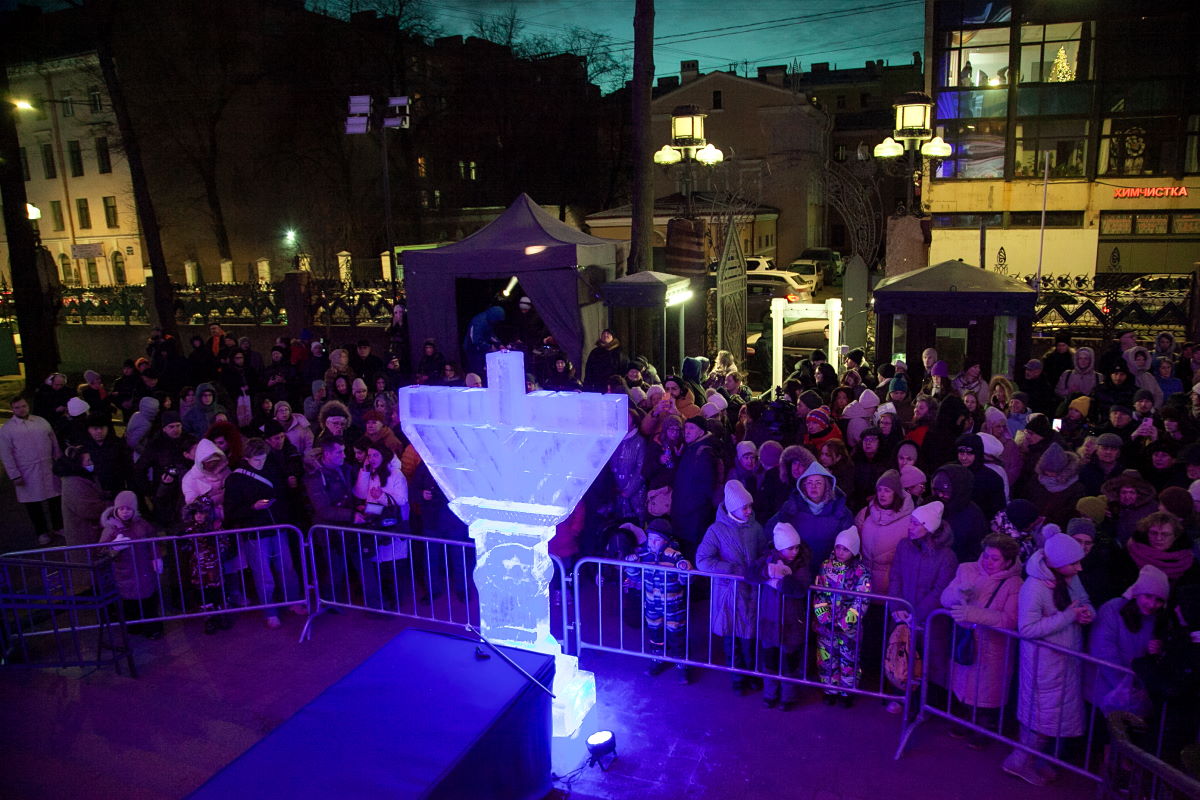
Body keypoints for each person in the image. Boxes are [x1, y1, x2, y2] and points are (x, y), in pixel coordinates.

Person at [1003, 533, 1095, 787]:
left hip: (1063, 662)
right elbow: (1027, 629)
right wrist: (1069, 616)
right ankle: (1019, 761)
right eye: (1074, 562)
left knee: (1049, 716)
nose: (1080, 567)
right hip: (1043, 664)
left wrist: (1087, 613)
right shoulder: (1034, 587)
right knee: (1041, 717)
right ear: (1059, 562)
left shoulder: (1068, 577)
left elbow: (1083, 602)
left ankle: (1031, 760)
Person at [940, 533, 1022, 748]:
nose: (988, 561)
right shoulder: (967, 569)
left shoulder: (1014, 584)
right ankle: (964, 719)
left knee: (986, 691)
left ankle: (984, 727)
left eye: (995, 559)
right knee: (963, 682)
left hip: (993, 647)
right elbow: (945, 598)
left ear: (1008, 561)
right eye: (986, 556)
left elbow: (1010, 620)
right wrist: (958, 594)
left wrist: (973, 614)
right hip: (966, 639)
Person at [224, 438, 306, 627]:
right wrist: (252, 507)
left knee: (287, 568)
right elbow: (231, 511)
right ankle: (270, 611)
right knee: (264, 574)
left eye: (263, 459)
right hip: (256, 532)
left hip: (277, 527)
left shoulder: (271, 468)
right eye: (257, 460)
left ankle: (292, 601)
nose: (261, 463)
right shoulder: (235, 480)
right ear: (247, 458)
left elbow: (284, 495)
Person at [696, 480, 764, 694]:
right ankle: (737, 677)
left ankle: (751, 673)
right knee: (731, 637)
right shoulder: (716, 530)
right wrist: (733, 570)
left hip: (751, 592)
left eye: (750, 506)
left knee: (750, 636)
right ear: (733, 508)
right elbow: (703, 560)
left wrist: (760, 568)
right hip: (729, 594)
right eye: (745, 507)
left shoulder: (756, 527)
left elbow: (763, 553)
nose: (749, 510)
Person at [1088, 565, 1169, 715]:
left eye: (1159, 600)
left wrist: (1158, 651)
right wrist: (1124, 689)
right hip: (1102, 690)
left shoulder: (1157, 619)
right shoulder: (1112, 609)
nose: (1152, 604)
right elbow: (1103, 650)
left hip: (1130, 697)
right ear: (1137, 593)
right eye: (1148, 596)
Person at [749, 521, 812, 710]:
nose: (794, 551)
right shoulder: (767, 559)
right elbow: (749, 574)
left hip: (792, 622)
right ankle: (770, 693)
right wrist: (766, 571)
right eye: (790, 548)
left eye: (796, 547)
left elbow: (800, 588)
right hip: (770, 620)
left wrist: (777, 581)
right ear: (779, 548)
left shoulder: (802, 564)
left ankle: (788, 696)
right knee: (769, 660)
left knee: (789, 662)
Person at [626, 518, 692, 684]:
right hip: (652, 605)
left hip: (673, 606)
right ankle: (658, 659)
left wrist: (685, 569)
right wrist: (632, 565)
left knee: (676, 634)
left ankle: (682, 665)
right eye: (650, 539)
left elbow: (686, 581)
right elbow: (635, 577)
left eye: (657, 540)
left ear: (666, 541)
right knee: (655, 634)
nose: (652, 543)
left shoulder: (675, 557)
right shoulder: (644, 555)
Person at [813, 526, 872, 706]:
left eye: (845, 549)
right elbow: (819, 594)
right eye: (838, 547)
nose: (840, 552)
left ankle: (848, 692)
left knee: (849, 659)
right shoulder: (825, 567)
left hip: (849, 628)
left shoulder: (861, 572)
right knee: (826, 657)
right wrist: (825, 618)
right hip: (826, 626)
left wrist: (846, 622)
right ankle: (830, 689)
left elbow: (861, 600)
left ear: (853, 550)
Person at [99, 490, 164, 639]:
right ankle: (134, 626)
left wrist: (156, 557)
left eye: (128, 509)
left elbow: (152, 542)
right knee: (129, 601)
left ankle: (152, 628)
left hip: (144, 569)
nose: (125, 512)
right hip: (124, 572)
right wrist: (114, 548)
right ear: (116, 509)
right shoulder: (111, 528)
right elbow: (100, 550)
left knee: (148, 601)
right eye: (121, 508)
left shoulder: (143, 525)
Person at [0, 394, 63, 545]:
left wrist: (58, 459)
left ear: (27, 406)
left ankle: (58, 526)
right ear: (12, 409)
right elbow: (6, 454)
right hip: (26, 471)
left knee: (54, 499)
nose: (21, 410)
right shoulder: (7, 429)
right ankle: (41, 532)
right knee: (33, 504)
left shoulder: (41, 422)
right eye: (17, 407)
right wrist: (14, 475)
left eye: (23, 406)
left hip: (48, 466)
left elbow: (53, 440)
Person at [766, 460, 854, 568]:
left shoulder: (841, 512)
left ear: (826, 486)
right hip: (797, 570)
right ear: (803, 486)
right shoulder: (790, 508)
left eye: (818, 483)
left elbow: (850, 545)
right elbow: (771, 531)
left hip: (829, 572)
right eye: (809, 483)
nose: (813, 487)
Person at [856, 469, 915, 595]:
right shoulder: (865, 514)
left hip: (890, 589)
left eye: (887, 490)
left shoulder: (909, 521)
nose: (882, 494)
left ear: (896, 494)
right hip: (862, 586)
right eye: (880, 490)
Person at [671, 417, 718, 554]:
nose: (687, 431)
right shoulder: (692, 448)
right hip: (686, 515)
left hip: (693, 517)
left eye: (692, 428)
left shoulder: (703, 452)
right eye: (686, 428)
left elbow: (705, 487)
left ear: (701, 432)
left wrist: (688, 507)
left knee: (691, 553)